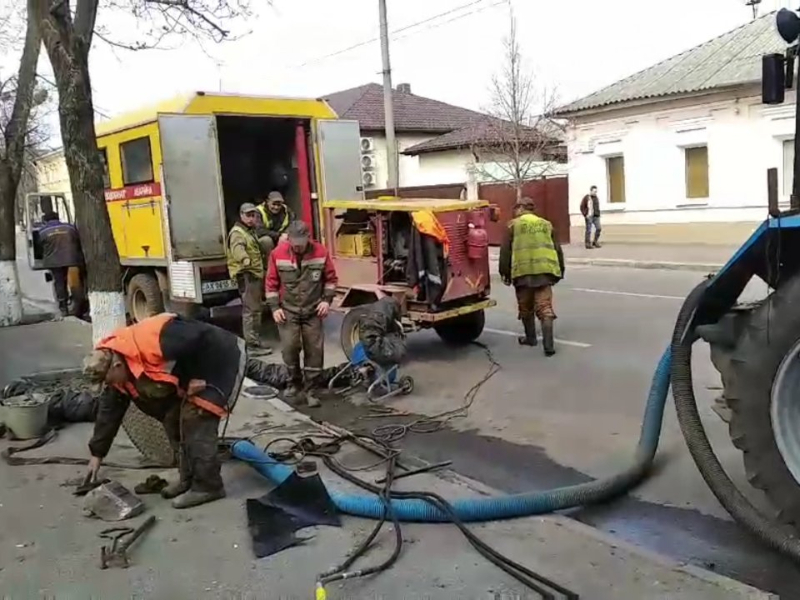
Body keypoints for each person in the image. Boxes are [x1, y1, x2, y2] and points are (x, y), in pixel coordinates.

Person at [82, 313, 249, 509]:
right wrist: (97, 454)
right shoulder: (115, 363)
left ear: (116, 366)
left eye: (107, 381)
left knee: (196, 419)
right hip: (194, 366)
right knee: (174, 420)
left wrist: (190, 378)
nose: (108, 385)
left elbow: (197, 337)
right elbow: (109, 413)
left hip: (218, 358)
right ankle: (188, 479)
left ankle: (208, 486)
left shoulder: (152, 339)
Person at [265, 220, 338, 407]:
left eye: (301, 241)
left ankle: (311, 389)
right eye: (294, 241)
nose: (298, 245)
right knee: (290, 348)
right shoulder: (277, 254)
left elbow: (331, 279)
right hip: (288, 311)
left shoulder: (321, 252)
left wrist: (326, 301)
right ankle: (293, 383)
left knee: (314, 351)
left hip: (312, 310)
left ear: (308, 238)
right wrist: (275, 308)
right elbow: (271, 283)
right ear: (288, 239)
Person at [499, 197, 565, 357]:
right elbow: (557, 249)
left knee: (526, 307)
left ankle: (531, 338)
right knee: (545, 308)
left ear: (521, 208)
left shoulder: (513, 225)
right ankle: (548, 346)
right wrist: (560, 271)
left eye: (516, 208)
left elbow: (505, 252)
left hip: (522, 273)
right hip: (544, 272)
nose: (515, 211)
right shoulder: (546, 224)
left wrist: (504, 272)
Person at [226, 203, 271, 356]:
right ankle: (252, 346)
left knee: (254, 310)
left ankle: (253, 343)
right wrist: (245, 260)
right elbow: (237, 248)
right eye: (248, 215)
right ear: (241, 215)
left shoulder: (249, 231)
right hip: (247, 275)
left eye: (254, 215)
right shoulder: (238, 233)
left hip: (253, 275)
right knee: (251, 311)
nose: (252, 219)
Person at [39, 211, 84, 316]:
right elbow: (77, 240)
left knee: (59, 282)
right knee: (75, 280)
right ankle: (79, 303)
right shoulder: (70, 227)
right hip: (72, 259)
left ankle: (63, 307)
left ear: (46, 221)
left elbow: (39, 247)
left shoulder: (43, 231)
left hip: (54, 262)